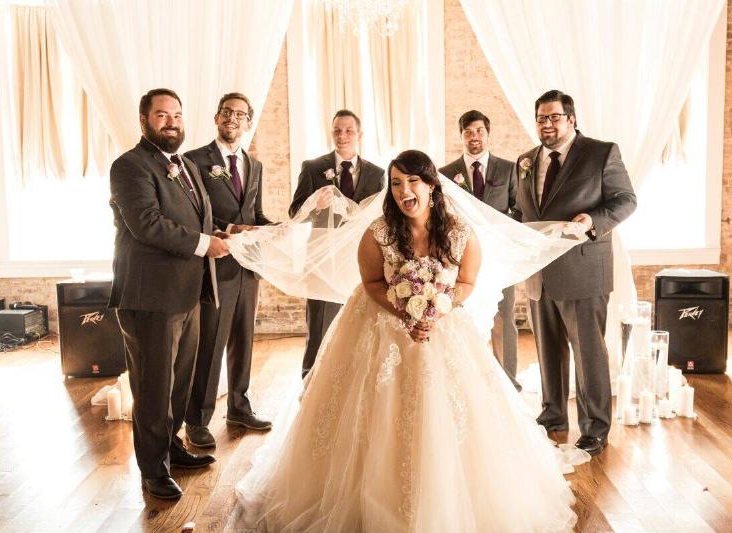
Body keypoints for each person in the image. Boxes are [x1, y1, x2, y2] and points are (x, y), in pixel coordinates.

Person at [235, 150, 580, 532]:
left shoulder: (460, 232)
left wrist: (436, 310)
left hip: (444, 327)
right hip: (380, 328)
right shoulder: (378, 232)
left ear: (431, 185)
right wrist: (406, 312)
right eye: (396, 183)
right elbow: (371, 284)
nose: (404, 191)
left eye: (412, 181)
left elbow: (466, 282)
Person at [109, 88, 229, 500]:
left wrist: (221, 235)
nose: (171, 121)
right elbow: (147, 224)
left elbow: (195, 220)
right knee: (154, 386)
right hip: (150, 297)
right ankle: (152, 470)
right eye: (162, 115)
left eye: (177, 114)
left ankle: (171, 447)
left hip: (188, 292)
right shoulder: (129, 167)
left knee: (179, 382)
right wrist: (202, 244)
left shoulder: (187, 165)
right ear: (144, 120)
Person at [515, 90, 637, 456]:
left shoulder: (601, 152)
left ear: (571, 119)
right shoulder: (524, 160)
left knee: (588, 354)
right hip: (540, 272)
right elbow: (522, 211)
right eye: (541, 118)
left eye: (554, 117)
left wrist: (591, 221)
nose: (546, 124)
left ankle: (595, 427)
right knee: (548, 351)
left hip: (583, 269)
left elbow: (626, 200)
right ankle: (553, 415)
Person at [183, 93, 273, 449]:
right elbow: (194, 214)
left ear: (249, 122)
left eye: (241, 114)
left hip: (247, 268)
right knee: (211, 345)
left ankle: (239, 406)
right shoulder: (194, 161)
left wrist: (278, 228)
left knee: (243, 341)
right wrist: (232, 230)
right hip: (214, 267)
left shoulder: (255, 165)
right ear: (216, 117)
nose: (233, 118)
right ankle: (197, 420)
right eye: (227, 112)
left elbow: (255, 214)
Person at [288, 109, 384, 378]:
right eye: (337, 131)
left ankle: (355, 380)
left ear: (359, 135)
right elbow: (294, 212)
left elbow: (379, 218)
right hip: (322, 261)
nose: (342, 136)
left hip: (359, 260)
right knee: (318, 325)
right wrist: (314, 205)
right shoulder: (312, 168)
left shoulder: (377, 173)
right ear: (331, 133)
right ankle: (309, 382)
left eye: (348, 130)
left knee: (359, 323)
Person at [439, 110, 522, 391]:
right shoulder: (446, 174)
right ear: (461, 136)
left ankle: (508, 383)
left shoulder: (509, 169)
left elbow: (518, 211)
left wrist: (499, 233)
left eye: (479, 131)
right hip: (462, 258)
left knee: (504, 317)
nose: (474, 137)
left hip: (499, 258)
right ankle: (464, 382)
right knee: (463, 316)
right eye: (468, 132)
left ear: (488, 133)